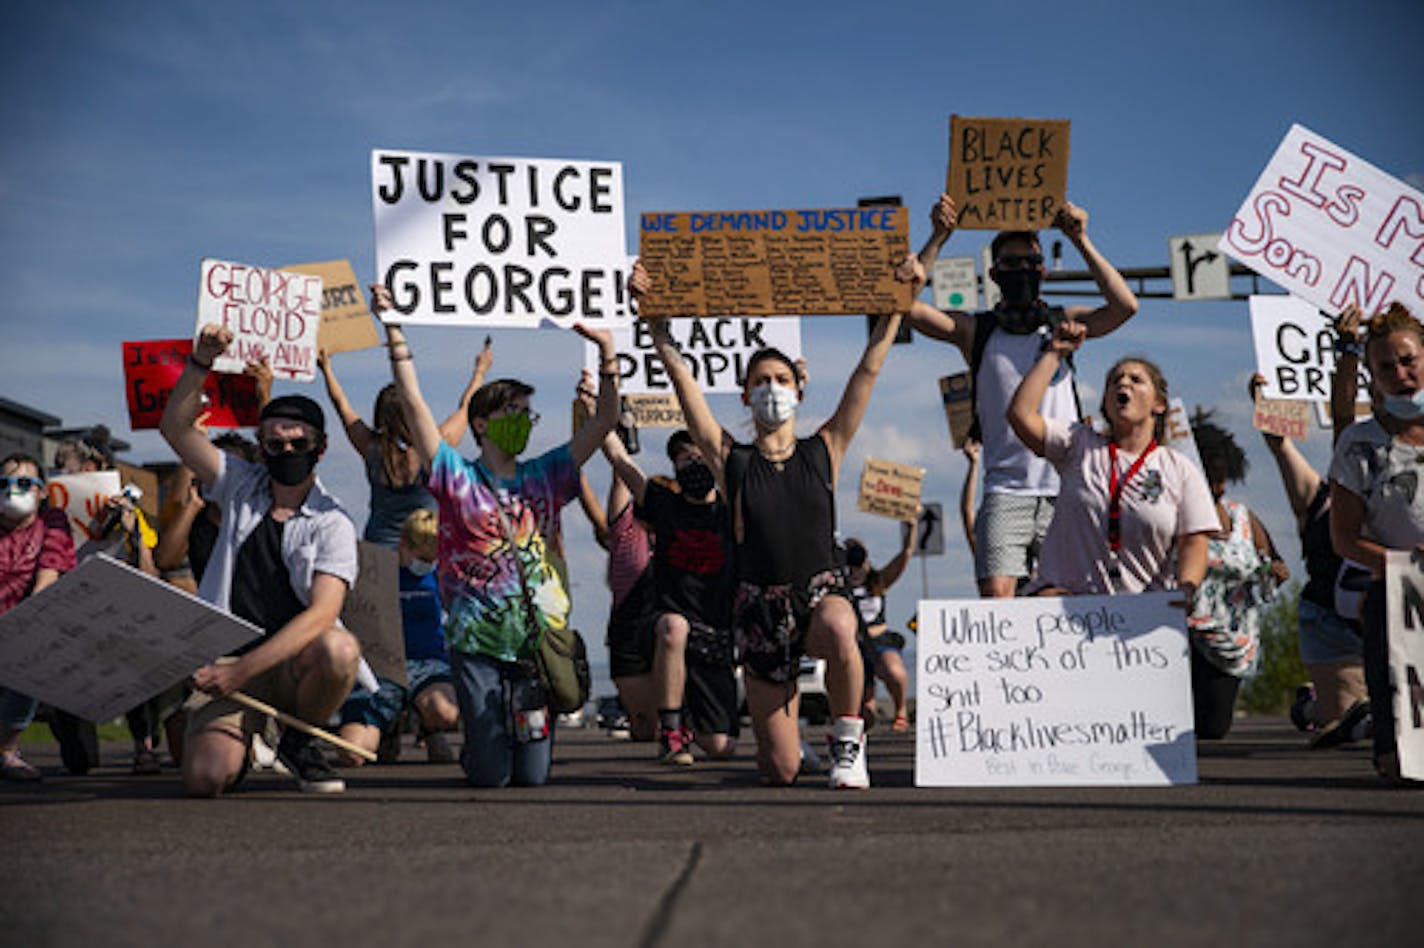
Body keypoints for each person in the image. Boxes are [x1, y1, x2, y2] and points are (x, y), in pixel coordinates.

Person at [631, 256, 918, 789]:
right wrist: (655, 327)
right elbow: (683, 384)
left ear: (798, 391)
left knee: (838, 625)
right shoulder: (731, 460)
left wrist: (895, 311)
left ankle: (849, 745)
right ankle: (793, 744)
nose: (772, 387)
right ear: (745, 395)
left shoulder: (824, 449)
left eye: (782, 379)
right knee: (780, 770)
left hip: (820, 591)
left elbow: (867, 371)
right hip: (759, 610)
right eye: (760, 380)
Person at [375, 284, 621, 788]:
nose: (523, 423)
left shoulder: (547, 473)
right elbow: (415, 404)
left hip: (536, 646)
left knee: (531, 777)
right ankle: (478, 750)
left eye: (528, 414)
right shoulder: (453, 476)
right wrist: (394, 330)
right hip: (476, 642)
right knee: (490, 775)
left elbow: (605, 421)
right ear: (481, 424)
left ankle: (509, 742)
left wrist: (608, 352)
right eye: (512, 413)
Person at [160, 324, 361, 796]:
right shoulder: (239, 483)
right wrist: (200, 362)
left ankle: (297, 735)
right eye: (275, 444)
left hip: (292, 664)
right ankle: (244, 741)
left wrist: (240, 674)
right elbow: (175, 429)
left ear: (321, 449)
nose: (286, 451)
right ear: (261, 446)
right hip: (230, 654)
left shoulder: (333, 521)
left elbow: (323, 614)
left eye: (298, 443)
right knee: (205, 779)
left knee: (340, 650)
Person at [910, 195, 1139, 597]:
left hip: (1066, 487)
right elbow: (905, 305)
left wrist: (1080, 240)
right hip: (1005, 490)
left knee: (1072, 601)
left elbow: (1124, 306)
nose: (1023, 271)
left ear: (1044, 272)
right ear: (995, 274)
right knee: (999, 599)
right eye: (1012, 264)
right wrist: (938, 237)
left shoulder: (1063, 324)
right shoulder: (977, 331)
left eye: (1031, 264)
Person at [1006, 325, 1217, 726]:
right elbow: (1020, 416)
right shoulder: (1077, 445)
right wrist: (1053, 353)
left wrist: (1186, 589)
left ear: (1158, 404)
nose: (1124, 384)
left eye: (1136, 380)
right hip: (1067, 610)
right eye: (1115, 381)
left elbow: (1194, 541)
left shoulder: (1177, 469)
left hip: (1138, 623)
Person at [593, 420, 739, 766]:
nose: (693, 464)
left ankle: (692, 716)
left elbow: (741, 456)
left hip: (714, 635)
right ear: (674, 467)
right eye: (684, 459)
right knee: (675, 627)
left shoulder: (732, 511)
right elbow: (618, 457)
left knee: (721, 747)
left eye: (699, 455)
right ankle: (672, 733)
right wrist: (597, 410)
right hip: (664, 625)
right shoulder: (663, 504)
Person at [1249, 361, 1370, 746]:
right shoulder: (1316, 495)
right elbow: (1279, 442)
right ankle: (1310, 707)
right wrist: (1267, 403)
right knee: (1351, 719)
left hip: (1396, 613)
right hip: (1331, 621)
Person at [1328, 301, 1424, 784]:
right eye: (1386, 366)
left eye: (1409, 360)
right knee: (1402, 765)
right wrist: (1402, 564)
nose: (1401, 373)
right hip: (1401, 600)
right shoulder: (1358, 445)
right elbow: (1344, 539)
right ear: (1373, 377)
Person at [317, 339, 491, 547]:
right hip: (425, 548)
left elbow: (342, 405)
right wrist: (480, 371)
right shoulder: (435, 446)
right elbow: (466, 408)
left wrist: (326, 369)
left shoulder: (371, 447)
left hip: (378, 547)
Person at [1186, 410, 1289, 739]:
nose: (1218, 487)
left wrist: (1273, 571)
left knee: (1214, 727)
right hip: (1185, 633)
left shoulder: (1242, 518)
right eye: (1210, 478)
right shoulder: (1173, 516)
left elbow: (1276, 563)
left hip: (1232, 639)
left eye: (1222, 478)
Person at [335, 509, 460, 765]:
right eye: (421, 556)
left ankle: (430, 727)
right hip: (384, 667)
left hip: (427, 664)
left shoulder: (441, 575)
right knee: (352, 752)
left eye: (432, 557)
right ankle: (388, 724)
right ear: (403, 545)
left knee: (446, 711)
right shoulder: (376, 575)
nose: (426, 563)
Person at [0, 454, 77, 781]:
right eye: (4, 483)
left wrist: (24, 625)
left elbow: (50, 575)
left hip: (26, 623)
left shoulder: (53, 523)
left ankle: (6, 750)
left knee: (32, 658)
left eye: (23, 483)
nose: (13, 490)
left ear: (42, 491)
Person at [844, 523, 916, 732]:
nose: (856, 567)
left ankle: (900, 710)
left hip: (880, 640)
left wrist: (911, 528)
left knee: (894, 672)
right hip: (855, 646)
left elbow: (905, 554)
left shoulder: (878, 581)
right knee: (865, 717)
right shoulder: (839, 587)